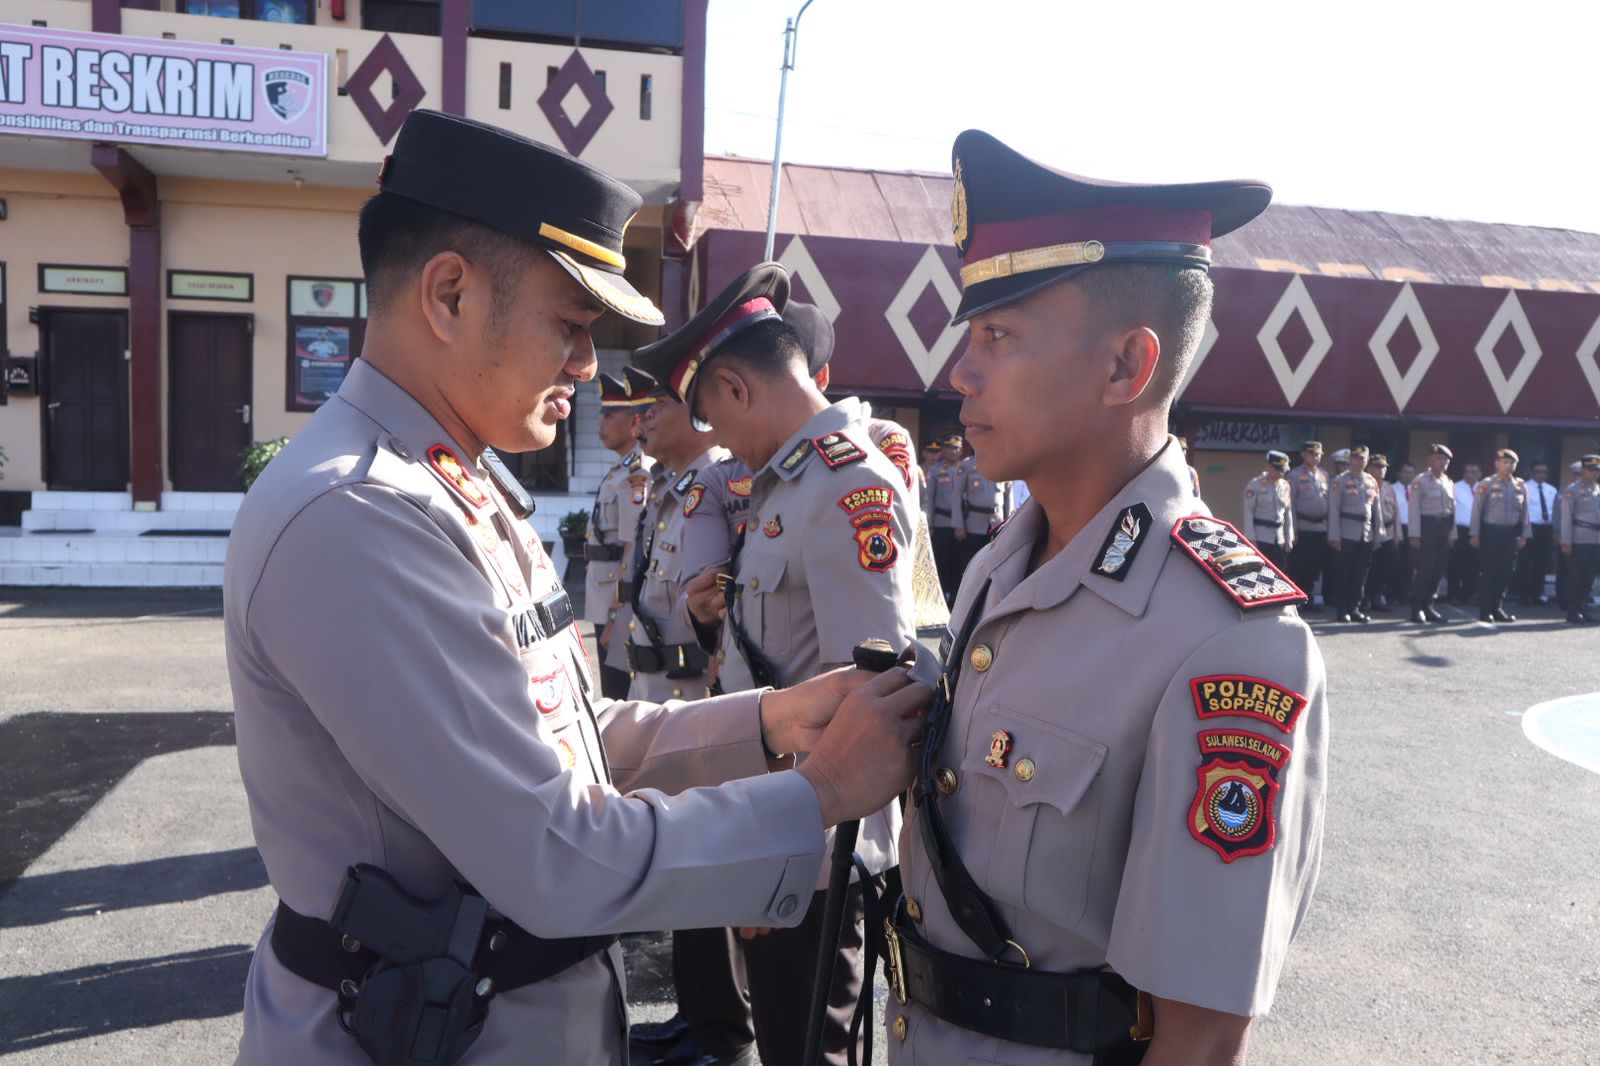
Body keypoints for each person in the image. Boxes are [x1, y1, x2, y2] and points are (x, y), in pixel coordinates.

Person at [222, 110, 930, 1066]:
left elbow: (568, 740)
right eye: (570, 323)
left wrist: (768, 723)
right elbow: (552, 852)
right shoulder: (357, 516)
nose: (589, 367)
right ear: (449, 295)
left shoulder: (452, 482)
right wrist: (822, 792)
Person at [882, 129, 1326, 1066]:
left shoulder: (1230, 643)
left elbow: (1198, 1040)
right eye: (970, 336)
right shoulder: (1005, 567)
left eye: (998, 336)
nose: (960, 371)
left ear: (1126, 367)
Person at [637, 263, 920, 1066]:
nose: (718, 441)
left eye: (713, 417)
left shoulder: (844, 484)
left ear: (734, 386)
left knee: (807, 1051)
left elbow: (872, 695)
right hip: (778, 819)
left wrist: (781, 845)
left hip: (817, 846)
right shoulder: (787, 483)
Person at [585, 368, 656, 699]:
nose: (601, 425)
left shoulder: (637, 475)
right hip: (602, 599)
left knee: (619, 693)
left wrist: (618, 614)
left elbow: (632, 547)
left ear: (633, 423)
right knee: (613, 688)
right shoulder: (620, 471)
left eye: (609, 415)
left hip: (615, 603)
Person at [1470, 448, 1530, 623]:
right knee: (1489, 572)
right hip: (1491, 532)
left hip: (1511, 533)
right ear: (1497, 463)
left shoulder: (1520, 485)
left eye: (1512, 463)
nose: (1508, 466)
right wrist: (1474, 533)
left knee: (1505, 572)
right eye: (1505, 462)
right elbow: (1477, 511)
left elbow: (1525, 513)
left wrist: (1525, 535)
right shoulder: (1486, 484)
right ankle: (1485, 610)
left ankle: (1497, 608)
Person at [1407, 444, 1456, 623]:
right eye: (1438, 458)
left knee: (1438, 570)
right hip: (1426, 527)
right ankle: (1417, 608)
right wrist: (1415, 535)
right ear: (1430, 460)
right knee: (1424, 570)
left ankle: (1429, 606)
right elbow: (1414, 510)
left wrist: (1453, 534)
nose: (1442, 462)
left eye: (1445, 459)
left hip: (1443, 528)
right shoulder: (1421, 481)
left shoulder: (1448, 482)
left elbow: (1452, 510)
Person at [1288, 441, 1332, 607]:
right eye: (1312, 454)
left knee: (1317, 564)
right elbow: (1290, 504)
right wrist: (1294, 529)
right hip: (1303, 525)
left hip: (1320, 527)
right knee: (1301, 565)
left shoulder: (1324, 475)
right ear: (1303, 455)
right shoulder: (1295, 475)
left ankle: (1314, 596)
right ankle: (1300, 598)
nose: (1315, 457)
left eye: (1318, 454)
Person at [1558, 455, 1600, 624]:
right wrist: (1566, 541)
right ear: (1582, 470)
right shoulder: (1572, 490)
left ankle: (1582, 608)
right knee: (1577, 577)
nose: (1594, 474)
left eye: (1596, 470)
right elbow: (1566, 518)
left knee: (1589, 578)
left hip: (1595, 540)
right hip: (1579, 538)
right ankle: (1572, 611)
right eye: (1590, 470)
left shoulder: (1598, 489)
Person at [926, 435, 966, 600]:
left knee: (960, 561)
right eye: (950, 448)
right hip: (941, 523)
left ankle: (958, 595)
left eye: (956, 448)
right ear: (943, 450)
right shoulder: (935, 471)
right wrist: (929, 524)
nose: (953, 452)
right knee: (941, 561)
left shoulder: (967, 469)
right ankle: (942, 595)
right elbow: (929, 500)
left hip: (963, 525)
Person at [1240, 449, 1295, 568]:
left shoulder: (1285, 486)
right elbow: (1248, 512)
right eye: (1278, 469)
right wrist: (1250, 539)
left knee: (1278, 573)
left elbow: (1288, 513)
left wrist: (1289, 538)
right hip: (1261, 538)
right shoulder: (1255, 485)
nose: (1281, 473)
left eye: (1283, 470)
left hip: (1279, 538)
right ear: (1269, 466)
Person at [1362, 454, 1402, 613]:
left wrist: (1398, 535)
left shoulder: (1389, 487)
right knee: (1368, 569)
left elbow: (1396, 512)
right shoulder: (1365, 484)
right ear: (1369, 468)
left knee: (1383, 569)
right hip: (1369, 532)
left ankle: (1378, 597)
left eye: (1384, 467)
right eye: (1378, 467)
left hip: (1388, 532)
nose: (1381, 470)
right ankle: (1364, 600)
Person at [1515, 462, 1558, 605]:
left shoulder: (1551, 489)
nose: (1541, 474)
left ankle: (1537, 593)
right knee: (1526, 562)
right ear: (1532, 472)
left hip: (1546, 528)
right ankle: (1523, 595)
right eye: (1538, 471)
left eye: (1544, 472)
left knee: (1542, 563)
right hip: (1530, 527)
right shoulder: (1525, 487)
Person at [1448, 461, 1481, 603]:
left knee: (1474, 565)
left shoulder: (1484, 487)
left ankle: (1469, 594)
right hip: (1459, 530)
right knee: (1455, 564)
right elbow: (1450, 512)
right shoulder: (1455, 487)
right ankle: (1453, 594)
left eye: (1474, 472)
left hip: (1478, 531)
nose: (1470, 474)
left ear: (1479, 474)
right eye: (1468, 471)